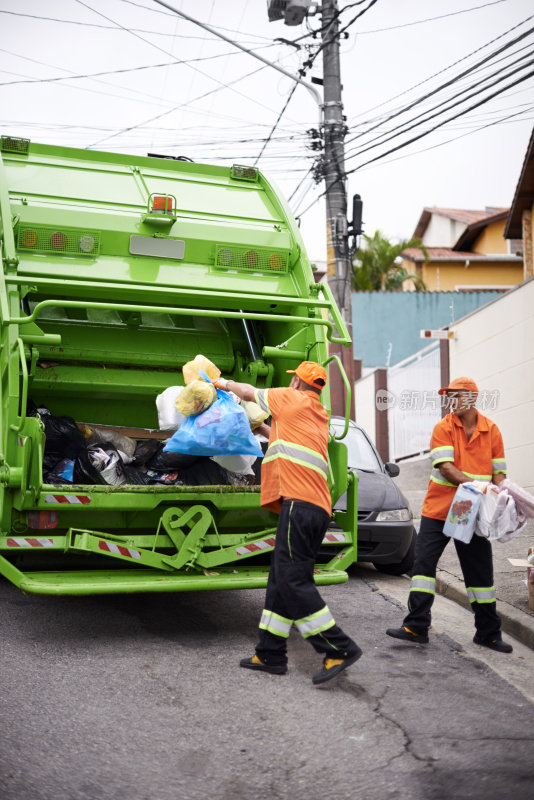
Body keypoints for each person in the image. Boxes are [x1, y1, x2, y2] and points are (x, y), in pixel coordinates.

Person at [214, 361, 362, 684]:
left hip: (299, 505)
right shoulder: (315, 415)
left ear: (296, 382)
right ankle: (270, 652)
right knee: (281, 579)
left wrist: (221, 383)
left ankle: (338, 647)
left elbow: (247, 392)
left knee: (294, 583)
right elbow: (284, 437)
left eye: (292, 379)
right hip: (316, 509)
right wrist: (261, 431)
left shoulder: (288, 399)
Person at [386, 376, 513, 653]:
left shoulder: (492, 431)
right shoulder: (443, 428)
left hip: (472, 512)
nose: (451, 401)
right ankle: (416, 626)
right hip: (440, 509)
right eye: (449, 396)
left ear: (472, 398)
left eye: (456, 395)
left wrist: (504, 498)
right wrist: (481, 487)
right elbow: (446, 468)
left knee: (480, 574)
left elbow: (499, 473)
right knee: (423, 566)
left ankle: (488, 634)